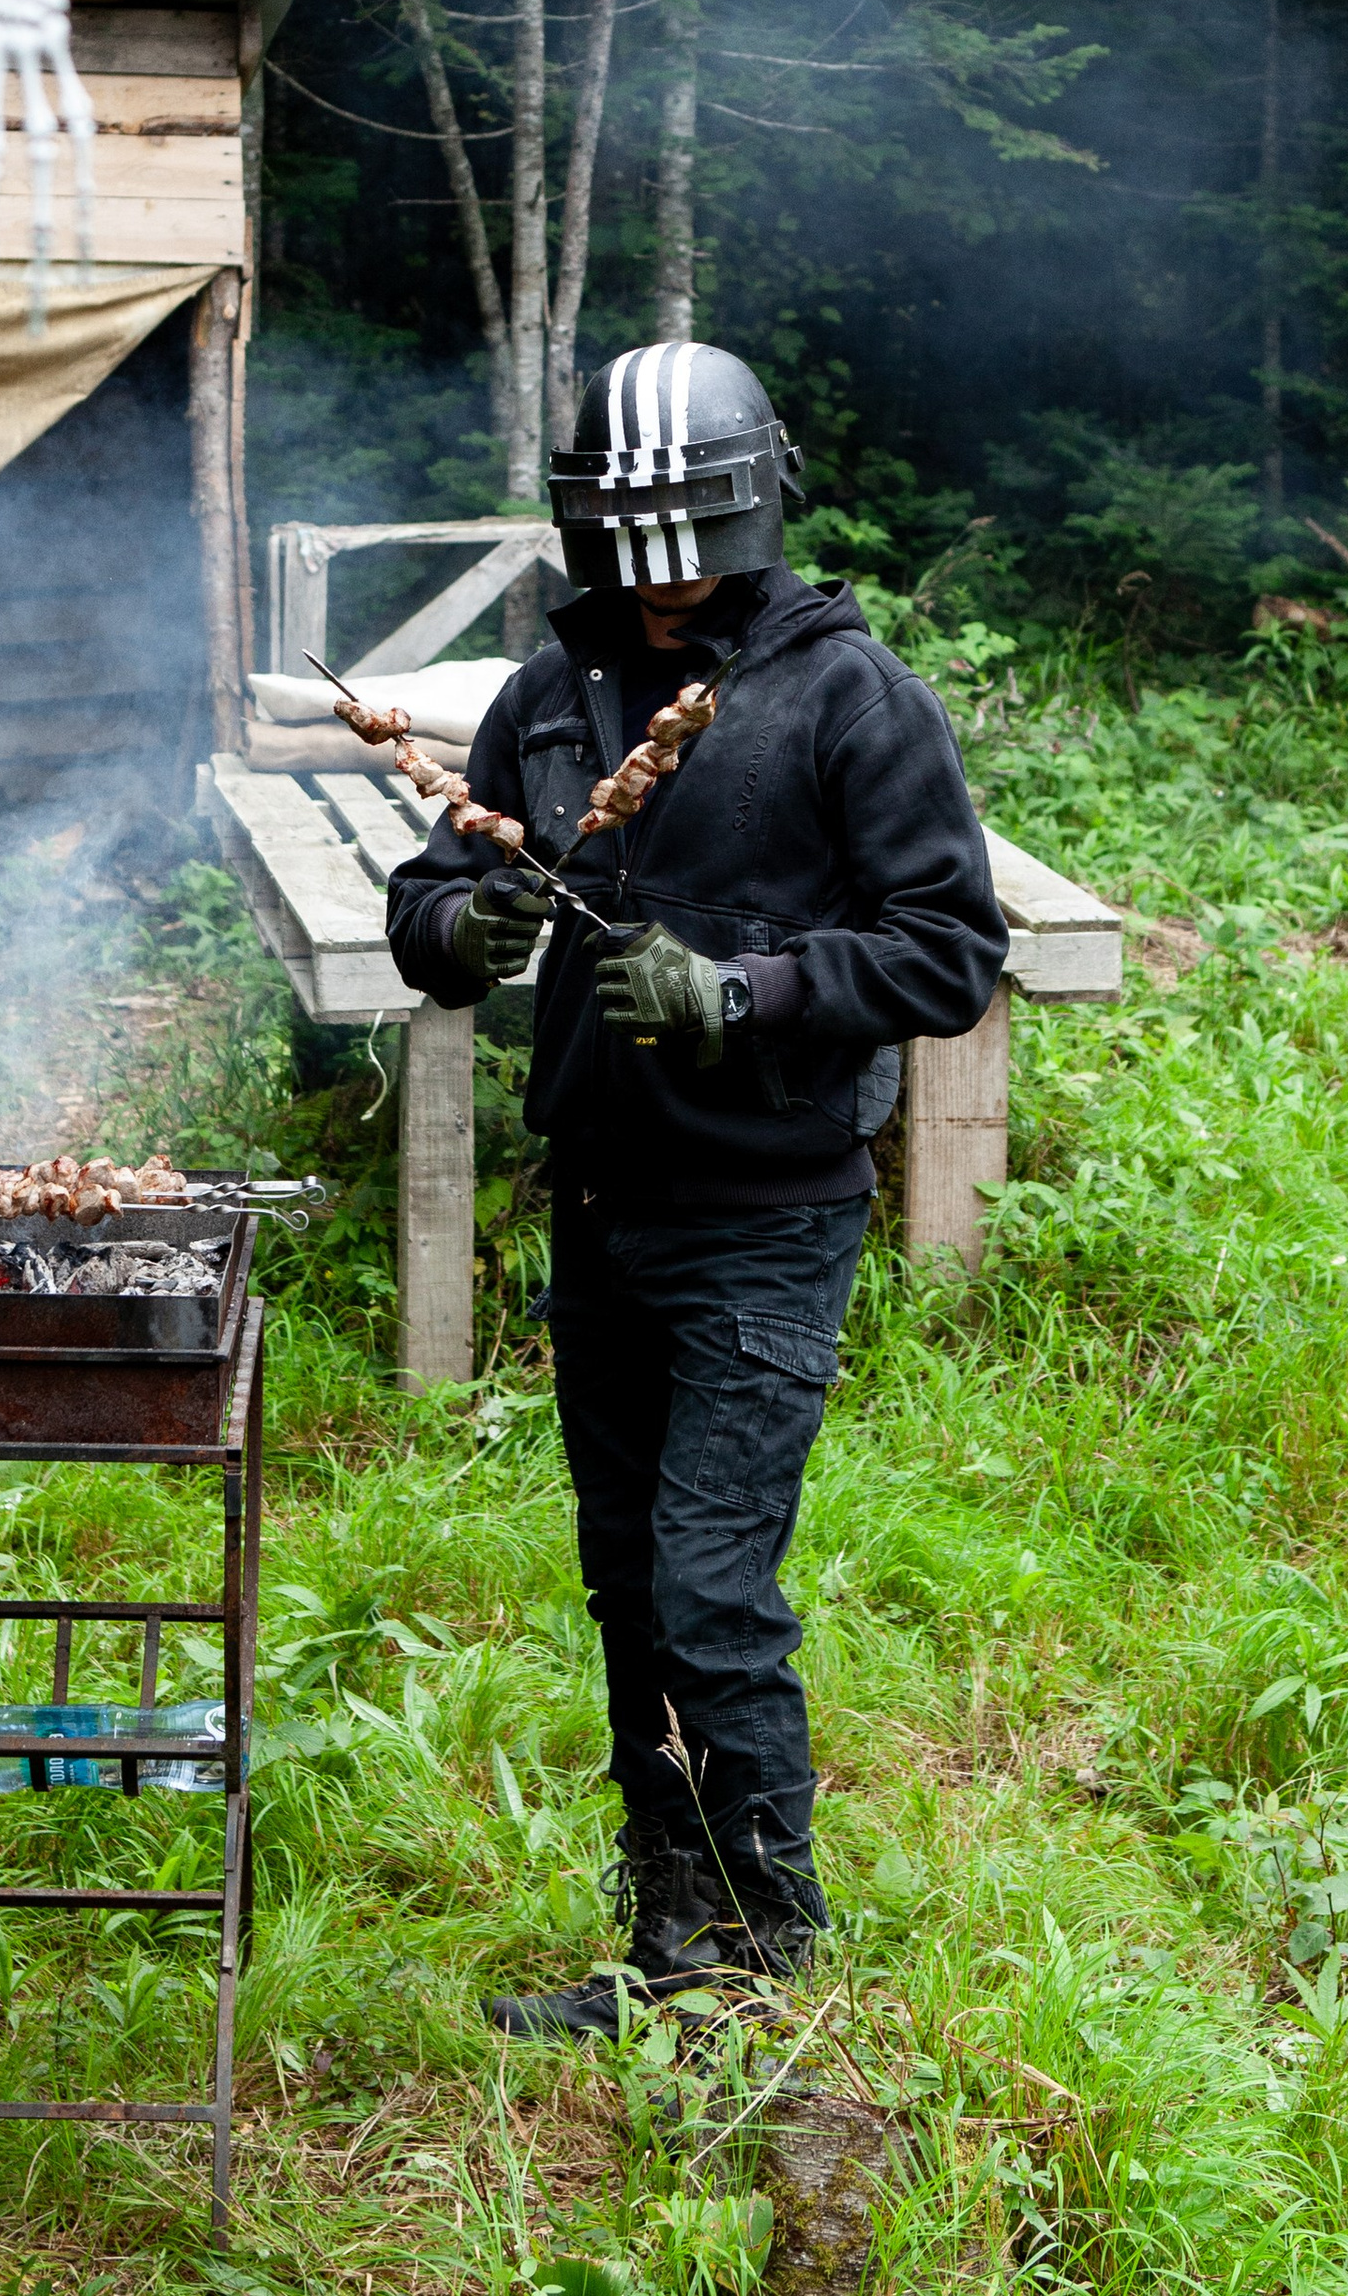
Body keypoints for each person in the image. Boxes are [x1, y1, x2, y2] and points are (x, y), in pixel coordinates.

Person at [384, 339, 1008, 2035]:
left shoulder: (845, 694)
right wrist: (465, 926)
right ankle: (673, 1935)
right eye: (630, 547)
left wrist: (751, 994)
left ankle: (769, 1956)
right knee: (622, 1574)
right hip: (599, 1204)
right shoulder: (546, 691)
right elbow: (430, 895)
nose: (663, 586)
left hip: (765, 1211)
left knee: (711, 1584)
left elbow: (952, 946)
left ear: (751, 510)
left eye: (693, 545)